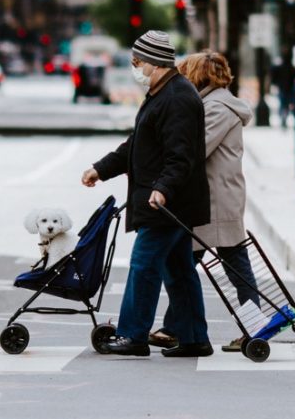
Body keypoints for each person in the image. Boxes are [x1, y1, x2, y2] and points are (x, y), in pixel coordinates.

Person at [81, 30, 213, 358]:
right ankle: (194, 337)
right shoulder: (162, 93)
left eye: (137, 62)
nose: (135, 68)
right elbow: (138, 145)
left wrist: (163, 190)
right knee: (179, 270)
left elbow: (180, 156)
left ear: (155, 62)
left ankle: (133, 335)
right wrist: (102, 168)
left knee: (143, 265)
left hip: (167, 204)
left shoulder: (177, 97)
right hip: (168, 201)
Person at [149, 51, 257, 353]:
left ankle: (252, 327)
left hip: (217, 200)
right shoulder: (211, 104)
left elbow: (195, 150)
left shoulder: (216, 107)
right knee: (196, 262)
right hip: (215, 196)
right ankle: (175, 327)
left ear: (198, 76)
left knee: (224, 264)